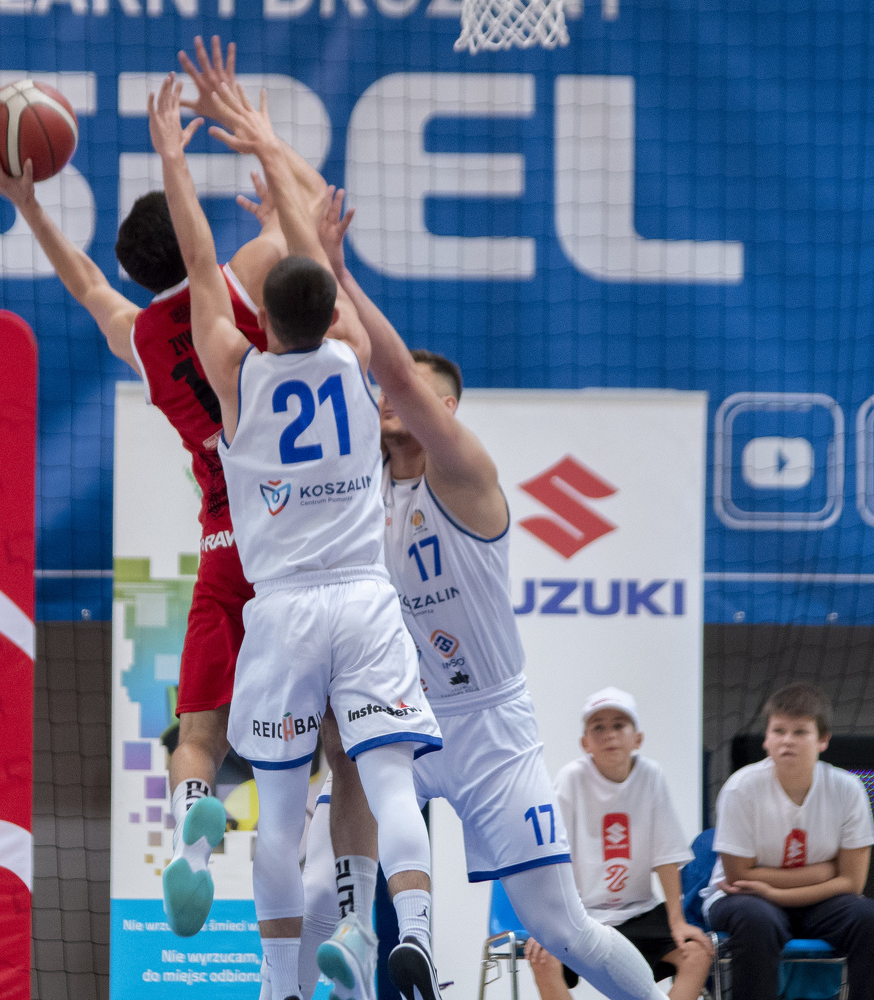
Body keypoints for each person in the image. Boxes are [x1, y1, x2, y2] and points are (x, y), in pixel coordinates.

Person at [294, 186, 683, 1000]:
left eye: (406, 390)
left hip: (489, 725)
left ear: (445, 409)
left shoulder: (465, 475)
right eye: (382, 391)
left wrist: (340, 269)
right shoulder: (363, 484)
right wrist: (297, 216)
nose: (386, 396)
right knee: (318, 897)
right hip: (401, 714)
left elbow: (389, 369)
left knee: (560, 927)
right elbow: (336, 347)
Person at [0, 48, 296, 935]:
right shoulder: (237, 284)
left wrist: (30, 205)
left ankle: (193, 841)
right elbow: (294, 222)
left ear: (139, 271)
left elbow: (84, 282)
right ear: (195, 239)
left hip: (223, 545)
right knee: (328, 740)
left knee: (197, 731)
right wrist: (259, 183)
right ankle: (344, 895)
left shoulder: (142, 339)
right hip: (292, 539)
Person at [149, 77, 444, 1000]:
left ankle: (279, 986)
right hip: (363, 598)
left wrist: (174, 159)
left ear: (262, 320)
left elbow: (200, 263)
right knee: (385, 782)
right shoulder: (357, 359)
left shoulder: (235, 374)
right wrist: (269, 148)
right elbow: (318, 255)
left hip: (280, 613)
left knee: (278, 816)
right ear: (329, 311)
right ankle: (410, 938)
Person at [701, 683, 874, 1000]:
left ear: (823, 740)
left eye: (800, 732)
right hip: (747, 900)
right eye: (779, 731)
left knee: (872, 919)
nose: (787, 740)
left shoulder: (848, 789)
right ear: (766, 739)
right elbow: (738, 877)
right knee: (756, 920)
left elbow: (852, 883)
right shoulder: (740, 788)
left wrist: (776, 890)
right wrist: (825, 871)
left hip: (817, 903)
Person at [527, 688, 711, 1000]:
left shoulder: (651, 775)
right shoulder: (571, 778)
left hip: (639, 912)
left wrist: (677, 921)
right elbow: (551, 857)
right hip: (581, 915)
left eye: (619, 725)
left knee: (697, 953)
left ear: (637, 739)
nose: (609, 734)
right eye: (598, 727)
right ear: (585, 743)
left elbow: (666, 856)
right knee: (544, 959)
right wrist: (549, 921)